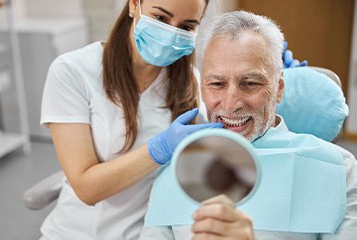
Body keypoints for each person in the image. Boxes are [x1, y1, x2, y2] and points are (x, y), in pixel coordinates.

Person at [39, 0, 305, 238]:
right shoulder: (72, 72)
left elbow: (233, 132)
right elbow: (86, 188)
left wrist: (273, 79)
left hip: (154, 229)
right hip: (80, 232)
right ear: (134, 5)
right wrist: (160, 149)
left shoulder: (192, 82)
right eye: (161, 18)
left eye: (187, 26)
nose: (170, 33)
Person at [140, 11, 357, 240]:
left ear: (279, 88)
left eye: (250, 83)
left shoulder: (338, 170)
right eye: (217, 83)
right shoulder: (174, 173)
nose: (231, 104)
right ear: (202, 88)